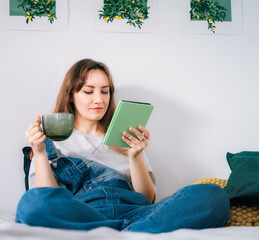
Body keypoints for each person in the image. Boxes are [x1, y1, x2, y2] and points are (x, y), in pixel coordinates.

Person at [15, 58, 230, 233]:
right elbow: (46, 198)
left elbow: (146, 199)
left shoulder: (125, 136)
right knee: (30, 204)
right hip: (85, 214)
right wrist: (40, 152)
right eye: (88, 91)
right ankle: (129, 232)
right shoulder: (50, 141)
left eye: (105, 91)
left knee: (213, 195)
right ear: (71, 95)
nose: (99, 99)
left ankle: (118, 231)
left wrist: (135, 155)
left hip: (136, 213)